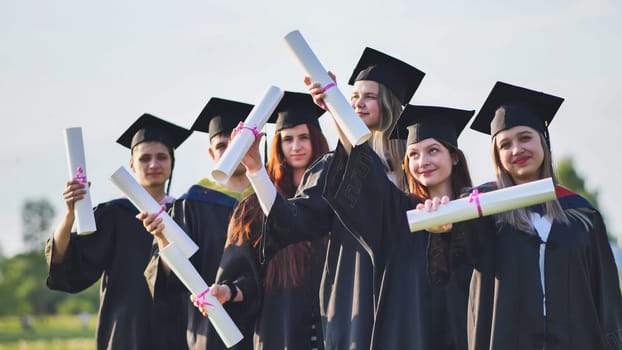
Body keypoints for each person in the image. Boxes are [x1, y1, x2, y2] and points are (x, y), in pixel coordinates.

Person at [240, 47, 425, 350]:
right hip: (355, 289)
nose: (358, 103)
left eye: (369, 97)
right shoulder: (333, 167)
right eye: (353, 97)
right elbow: (293, 220)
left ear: (390, 103)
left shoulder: (419, 166)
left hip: (408, 293)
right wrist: (256, 169)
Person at [430, 81, 622, 349]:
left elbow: (607, 300)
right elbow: (452, 268)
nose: (517, 150)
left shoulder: (582, 214)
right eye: (505, 144)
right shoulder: (483, 212)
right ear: (497, 156)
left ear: (543, 141)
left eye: (525, 138)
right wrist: (444, 228)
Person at [318, 104, 474, 349]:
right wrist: (335, 107)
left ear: (454, 156)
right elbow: (362, 165)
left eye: (433, 150)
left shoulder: (476, 210)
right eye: (413, 154)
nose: (423, 161)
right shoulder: (397, 214)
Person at [45, 113, 191, 350]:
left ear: (171, 162)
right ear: (132, 165)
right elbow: (65, 262)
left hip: (180, 333)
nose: (153, 164)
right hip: (124, 333)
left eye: (161, 157)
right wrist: (70, 214)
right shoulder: (112, 214)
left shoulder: (187, 213)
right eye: (145, 158)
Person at [200, 91, 330, 349]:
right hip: (279, 327)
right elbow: (246, 274)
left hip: (337, 319)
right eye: (288, 139)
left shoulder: (336, 196)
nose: (296, 147)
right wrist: (229, 291)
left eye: (304, 137)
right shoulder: (254, 206)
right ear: (277, 144)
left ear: (316, 139)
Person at [141, 97, 255, 350]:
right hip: (211, 329)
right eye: (222, 145)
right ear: (211, 153)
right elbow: (169, 281)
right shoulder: (191, 204)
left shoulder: (271, 198)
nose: (231, 151)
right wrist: (162, 237)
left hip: (269, 325)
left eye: (237, 142)